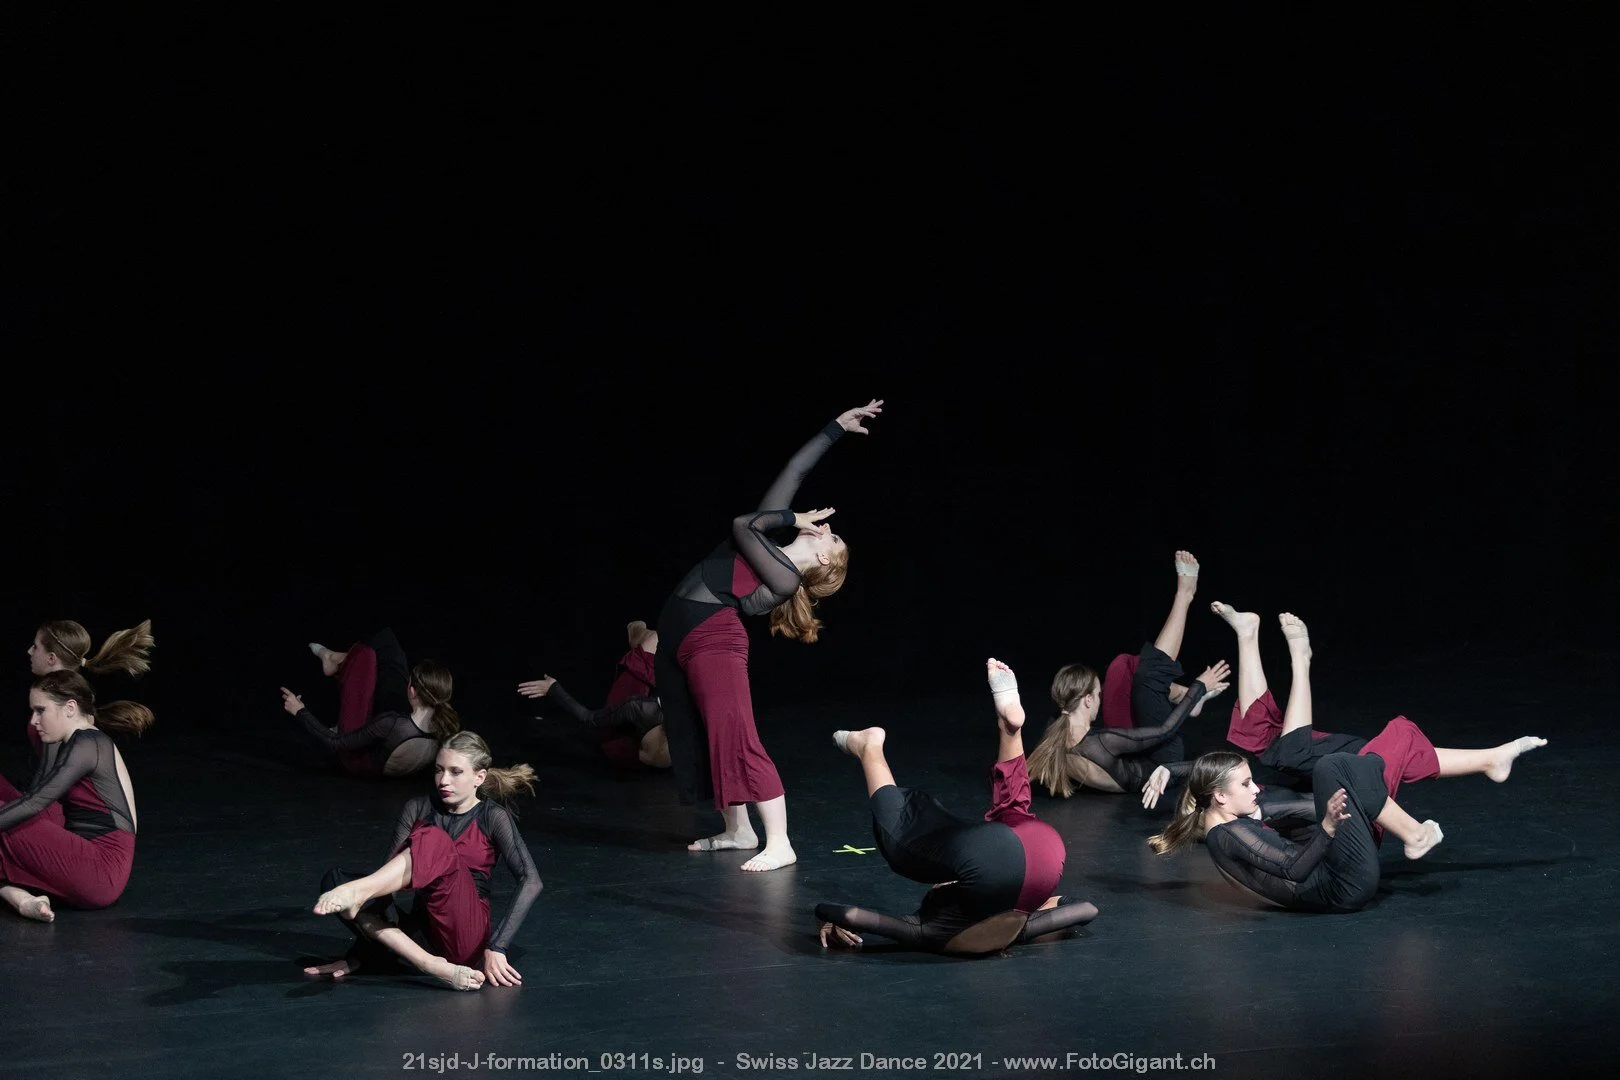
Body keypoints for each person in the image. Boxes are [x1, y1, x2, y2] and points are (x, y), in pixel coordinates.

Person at [1147, 611, 1547, 912]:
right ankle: (1415, 828)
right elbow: (1292, 869)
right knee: (1334, 761)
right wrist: (1327, 825)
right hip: (1344, 884)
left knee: (1365, 748)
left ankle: (1487, 762)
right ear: (1219, 797)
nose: (1256, 788)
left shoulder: (1235, 809)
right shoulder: (1228, 835)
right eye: (1247, 785)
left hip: (1343, 853)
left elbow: (1228, 775)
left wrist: (1171, 769)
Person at [657, 399, 883, 872]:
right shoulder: (768, 541)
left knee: (738, 736)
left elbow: (743, 524)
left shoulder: (783, 577)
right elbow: (794, 471)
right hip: (680, 633)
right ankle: (737, 830)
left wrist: (793, 519)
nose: (826, 528)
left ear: (824, 559)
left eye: (832, 537)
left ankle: (780, 842)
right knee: (702, 734)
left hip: (713, 642)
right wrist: (836, 428)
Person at [815, 658, 1099, 955]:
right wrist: (826, 917)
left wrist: (1031, 907)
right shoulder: (927, 932)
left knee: (1014, 807)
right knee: (899, 843)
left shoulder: (1019, 928)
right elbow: (851, 916)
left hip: (1045, 857)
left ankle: (1009, 729)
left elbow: (1086, 909)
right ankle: (869, 747)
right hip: (994, 868)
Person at [305, 731, 542, 990]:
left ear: (479, 777)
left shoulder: (492, 816)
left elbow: (531, 881)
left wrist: (498, 946)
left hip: (464, 933)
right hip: (423, 934)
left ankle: (356, 893)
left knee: (434, 838)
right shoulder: (418, 808)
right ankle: (430, 964)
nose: (443, 780)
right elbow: (386, 887)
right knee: (335, 880)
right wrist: (360, 955)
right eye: (439, 770)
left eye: (455, 772)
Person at [1, 671, 152, 922]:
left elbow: (36, 801)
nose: (34, 720)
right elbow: (37, 793)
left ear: (70, 708)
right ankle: (22, 899)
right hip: (84, 861)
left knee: (11, 817)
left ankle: (19, 896)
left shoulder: (89, 743)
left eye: (40, 711)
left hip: (101, 870)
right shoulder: (76, 741)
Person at [279, 627, 459, 777]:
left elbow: (335, 743)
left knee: (364, 655)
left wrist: (299, 711)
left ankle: (333, 658)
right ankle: (339, 659)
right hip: (394, 751)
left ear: (411, 691)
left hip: (356, 762)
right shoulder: (445, 725)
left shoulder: (392, 724)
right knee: (390, 654)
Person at [519, 620, 667, 769]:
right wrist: (553, 688)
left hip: (647, 732)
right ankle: (637, 633)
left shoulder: (658, 715)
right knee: (654, 639)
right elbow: (589, 718)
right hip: (635, 724)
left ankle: (640, 636)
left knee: (657, 642)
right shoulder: (642, 709)